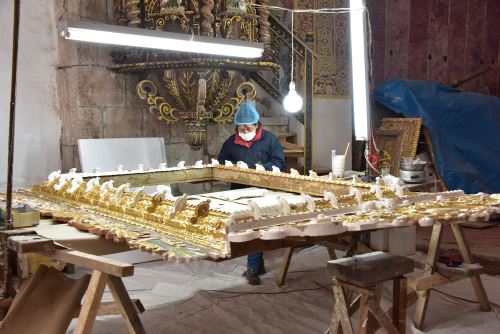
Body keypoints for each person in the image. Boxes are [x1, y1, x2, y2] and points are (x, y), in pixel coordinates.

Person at [218, 100, 286, 285]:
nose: (245, 132)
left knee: (256, 227)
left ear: (257, 125)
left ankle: (253, 268)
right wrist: (230, 167)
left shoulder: (270, 140)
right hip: (239, 192)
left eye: (248, 128)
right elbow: (221, 163)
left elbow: (280, 163)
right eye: (241, 129)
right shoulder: (230, 143)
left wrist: (261, 168)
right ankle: (257, 263)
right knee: (245, 227)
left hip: (263, 192)